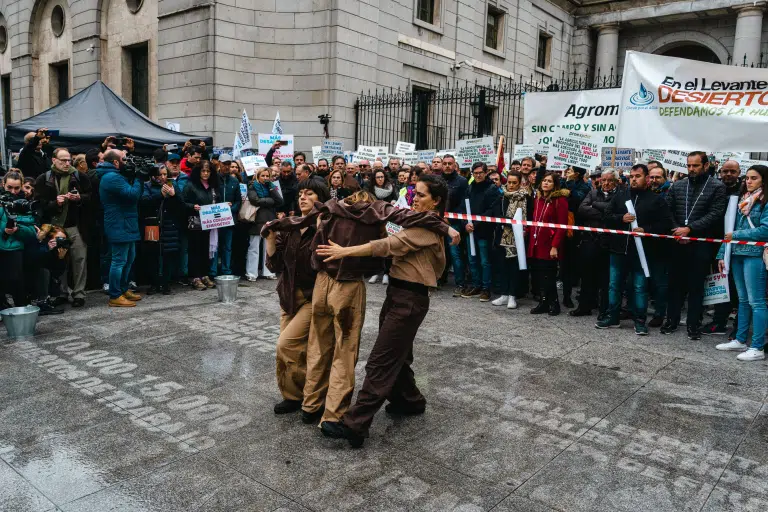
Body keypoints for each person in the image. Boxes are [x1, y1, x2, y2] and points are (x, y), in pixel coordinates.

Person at [261, 189, 459, 433]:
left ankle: (311, 406)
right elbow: (392, 236)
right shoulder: (375, 210)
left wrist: (274, 226)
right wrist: (446, 228)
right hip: (348, 285)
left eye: (420, 194)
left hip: (324, 283)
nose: (414, 199)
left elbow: (299, 221)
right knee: (344, 353)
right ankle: (333, 415)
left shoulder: (332, 207)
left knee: (319, 348)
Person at [315, 175, 451, 447]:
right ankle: (410, 401)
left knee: (381, 361)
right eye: (414, 192)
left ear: (436, 201)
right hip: (398, 294)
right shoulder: (420, 220)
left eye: (421, 195)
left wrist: (346, 252)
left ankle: (355, 424)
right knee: (398, 356)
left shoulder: (428, 227)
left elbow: (388, 246)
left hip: (410, 299)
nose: (414, 198)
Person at [265, 179, 330, 414]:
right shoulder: (290, 226)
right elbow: (275, 266)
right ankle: (293, 396)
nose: (302, 197)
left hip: (312, 297)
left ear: (320, 199)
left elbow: (321, 262)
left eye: (309, 193)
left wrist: (321, 229)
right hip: (288, 296)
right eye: (301, 193)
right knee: (288, 353)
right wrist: (270, 238)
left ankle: (313, 397)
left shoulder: (327, 226)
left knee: (287, 345)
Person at [598, 164, 673, 335]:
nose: (633, 179)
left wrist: (646, 229)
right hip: (618, 249)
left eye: (637, 176)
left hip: (642, 252)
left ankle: (640, 320)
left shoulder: (656, 200)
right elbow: (607, 216)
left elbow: (665, 223)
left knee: (640, 287)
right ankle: (612, 317)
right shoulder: (620, 196)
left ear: (647, 178)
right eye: (631, 176)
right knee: (614, 285)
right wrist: (621, 218)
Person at [662, 152, 727, 339]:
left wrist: (690, 229)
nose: (691, 169)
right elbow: (667, 210)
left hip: (701, 244)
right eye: (689, 165)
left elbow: (715, 213)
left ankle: (693, 324)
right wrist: (677, 230)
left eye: (695, 165)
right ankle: (671, 320)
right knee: (675, 285)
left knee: (696, 286)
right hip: (678, 243)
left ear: (706, 166)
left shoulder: (717, 187)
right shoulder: (678, 185)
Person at [715, 164, 768, 361]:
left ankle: (758, 346)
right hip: (737, 253)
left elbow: (765, 230)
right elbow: (729, 229)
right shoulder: (743, 199)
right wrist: (722, 253)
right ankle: (740, 339)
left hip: (755, 255)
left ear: (764, 180)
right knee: (743, 300)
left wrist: (736, 235)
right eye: (747, 178)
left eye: (754, 178)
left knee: (757, 301)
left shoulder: (765, 201)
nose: (749, 181)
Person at [34, 148, 92, 308]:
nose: (67, 163)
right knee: (60, 260)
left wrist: (79, 197)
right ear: (54, 160)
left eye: (69, 160)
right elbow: (39, 204)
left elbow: (91, 197)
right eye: (63, 160)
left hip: (76, 225)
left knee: (79, 259)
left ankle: (79, 293)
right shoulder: (44, 178)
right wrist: (55, 203)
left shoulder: (80, 176)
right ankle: (62, 292)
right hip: (55, 226)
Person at [98, 149, 143, 307]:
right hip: (119, 223)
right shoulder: (111, 177)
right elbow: (132, 194)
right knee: (119, 261)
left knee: (129, 258)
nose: (127, 162)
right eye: (124, 159)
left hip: (126, 222)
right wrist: (139, 178)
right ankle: (115, 295)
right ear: (116, 162)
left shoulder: (116, 175)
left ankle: (123, 289)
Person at [703, 159, 742, 337]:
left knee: (737, 287)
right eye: (725, 171)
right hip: (716, 243)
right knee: (719, 282)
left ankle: (739, 326)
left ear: (738, 173)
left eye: (732, 171)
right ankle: (719, 321)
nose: (728, 175)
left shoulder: (744, 191)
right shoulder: (715, 189)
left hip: (737, 244)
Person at [572, 169, 618, 318]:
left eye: (610, 180)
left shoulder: (620, 195)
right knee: (586, 275)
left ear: (616, 182)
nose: (606, 183)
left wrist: (596, 206)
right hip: (590, 240)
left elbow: (615, 213)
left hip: (609, 242)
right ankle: (584, 306)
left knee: (605, 279)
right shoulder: (592, 193)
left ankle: (604, 309)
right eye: (603, 180)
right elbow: (582, 209)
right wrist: (604, 212)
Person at [528, 172, 569, 316]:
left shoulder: (560, 201)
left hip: (549, 244)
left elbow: (562, 226)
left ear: (555, 184)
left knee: (549, 275)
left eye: (549, 181)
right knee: (539, 274)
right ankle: (543, 302)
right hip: (536, 242)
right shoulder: (538, 199)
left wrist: (554, 246)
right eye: (544, 180)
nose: (545, 183)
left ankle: (554, 303)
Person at [140, 165, 184, 295]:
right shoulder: (147, 185)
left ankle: (165, 283)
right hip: (153, 224)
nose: (163, 177)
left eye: (165, 174)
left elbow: (182, 204)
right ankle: (154, 283)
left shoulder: (172, 184)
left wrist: (174, 195)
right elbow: (144, 202)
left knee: (168, 255)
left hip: (169, 224)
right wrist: (160, 195)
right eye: (160, 174)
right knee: (153, 254)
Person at [491, 170, 528, 309]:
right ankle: (504, 294)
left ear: (520, 183)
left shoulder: (524, 197)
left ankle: (512, 295)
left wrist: (511, 222)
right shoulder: (502, 196)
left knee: (513, 267)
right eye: (509, 182)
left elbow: (526, 216)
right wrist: (505, 220)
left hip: (516, 237)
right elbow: (495, 212)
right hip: (501, 235)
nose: (511, 185)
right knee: (503, 266)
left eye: (514, 183)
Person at [0, 171, 37, 308]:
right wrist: (3, 230)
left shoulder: (24, 204)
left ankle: (21, 310)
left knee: (17, 282)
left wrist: (18, 229)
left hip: (16, 247)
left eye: (16, 188)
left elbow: (32, 230)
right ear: (3, 184)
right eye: (9, 187)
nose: (13, 191)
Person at [462, 162, 499, 302]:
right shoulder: (470, 188)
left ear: (485, 173)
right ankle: (476, 285)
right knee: (472, 259)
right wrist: (465, 224)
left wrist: (476, 224)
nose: (478, 175)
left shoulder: (492, 189)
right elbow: (463, 209)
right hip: (470, 230)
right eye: (475, 173)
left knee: (484, 261)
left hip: (484, 231)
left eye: (480, 173)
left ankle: (485, 288)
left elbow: (491, 210)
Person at [182, 162, 221, 291]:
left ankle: (204, 275)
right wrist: (192, 206)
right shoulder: (190, 185)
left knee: (205, 250)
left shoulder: (213, 186)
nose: (205, 173)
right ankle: (195, 277)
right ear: (198, 172)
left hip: (209, 222)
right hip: (195, 222)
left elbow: (217, 201)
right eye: (203, 171)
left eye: (208, 171)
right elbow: (182, 202)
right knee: (195, 250)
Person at [560, 166, 591, 308]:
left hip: (574, 231)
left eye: (570, 170)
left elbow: (577, 199)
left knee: (570, 263)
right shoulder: (562, 182)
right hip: (559, 225)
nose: (567, 171)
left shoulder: (584, 187)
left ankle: (568, 296)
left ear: (577, 174)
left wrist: (570, 183)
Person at [246, 168, 283, 281]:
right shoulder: (252, 186)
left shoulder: (272, 186)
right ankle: (251, 273)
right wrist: (270, 201)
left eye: (267, 176)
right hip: (256, 219)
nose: (265, 178)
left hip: (269, 219)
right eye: (263, 176)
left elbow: (280, 201)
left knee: (268, 247)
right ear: (258, 176)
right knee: (254, 248)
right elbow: (254, 200)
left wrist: (271, 190)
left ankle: (268, 271)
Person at [441, 154, 470, 296]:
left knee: (455, 253)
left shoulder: (462, 181)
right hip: (438, 221)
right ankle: (439, 279)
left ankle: (460, 284)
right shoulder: (437, 180)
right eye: (445, 163)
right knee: (439, 251)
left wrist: (450, 218)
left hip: (454, 223)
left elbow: (464, 203)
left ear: (455, 165)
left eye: (450, 163)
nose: (447, 166)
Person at [211, 159, 242, 277]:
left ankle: (226, 270)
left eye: (229, 164)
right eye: (224, 164)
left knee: (227, 247)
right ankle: (213, 271)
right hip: (215, 218)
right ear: (219, 164)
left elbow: (238, 201)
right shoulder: (213, 179)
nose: (227, 167)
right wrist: (219, 208)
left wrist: (230, 210)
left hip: (229, 219)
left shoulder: (234, 181)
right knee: (214, 245)